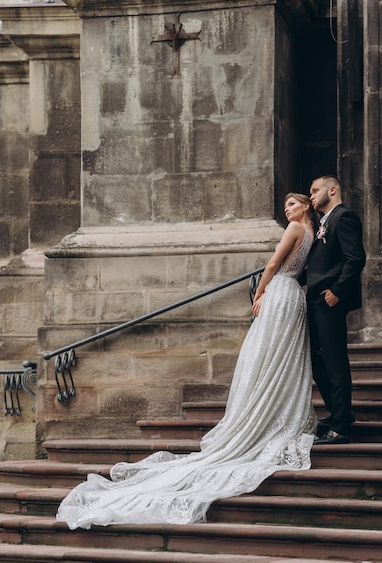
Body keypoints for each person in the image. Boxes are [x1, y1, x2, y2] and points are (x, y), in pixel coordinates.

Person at [57, 193, 318, 529]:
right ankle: (275, 413)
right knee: (279, 359)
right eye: (286, 206)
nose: (288, 210)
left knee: (267, 356)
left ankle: (259, 415)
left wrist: (259, 292)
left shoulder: (296, 228)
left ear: (305, 207)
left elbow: (272, 263)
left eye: (293, 204)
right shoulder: (313, 232)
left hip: (281, 290)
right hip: (296, 295)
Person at [307, 176, 366, 445]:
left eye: (315, 190)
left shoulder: (344, 217)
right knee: (316, 359)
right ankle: (340, 412)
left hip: (330, 300)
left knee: (334, 362)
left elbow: (356, 258)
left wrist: (337, 292)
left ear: (332, 190)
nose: (312, 196)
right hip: (316, 301)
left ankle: (340, 427)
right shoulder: (323, 222)